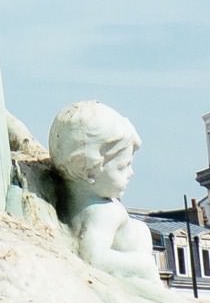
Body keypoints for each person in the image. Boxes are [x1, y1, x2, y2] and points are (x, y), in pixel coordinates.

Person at [48, 100, 156, 282]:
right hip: (133, 267)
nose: (131, 173)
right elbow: (94, 257)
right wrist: (145, 266)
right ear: (88, 170)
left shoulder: (62, 194)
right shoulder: (105, 211)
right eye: (123, 166)